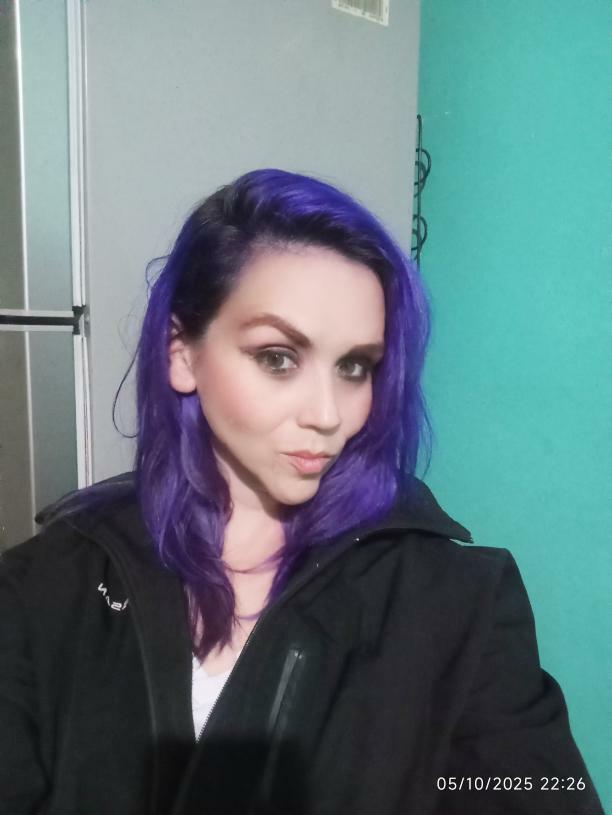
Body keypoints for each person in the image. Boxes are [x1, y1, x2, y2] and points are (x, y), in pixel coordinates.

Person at [0, 169, 603, 815]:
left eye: (355, 366)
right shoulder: (45, 586)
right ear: (181, 353)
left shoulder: (457, 601)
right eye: (278, 357)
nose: (327, 413)